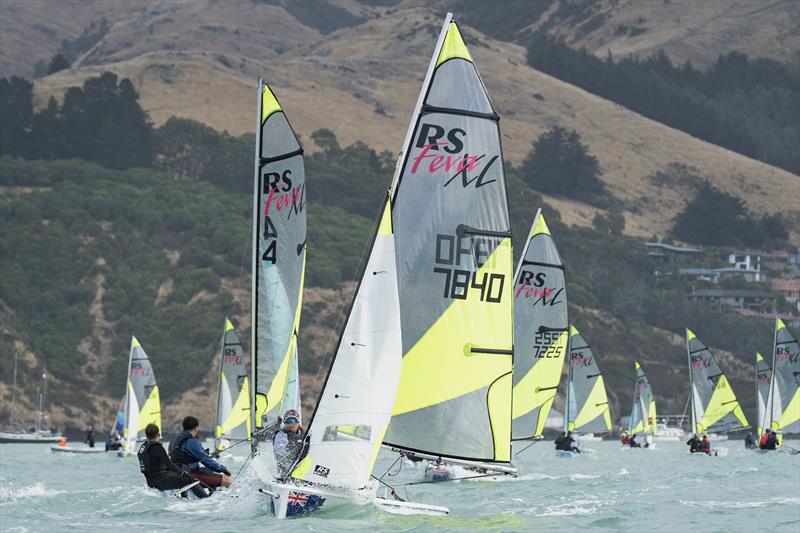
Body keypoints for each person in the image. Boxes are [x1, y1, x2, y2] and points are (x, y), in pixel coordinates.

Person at [138, 423, 209, 499]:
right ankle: (206, 499)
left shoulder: (143, 449)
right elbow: (169, 464)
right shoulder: (157, 448)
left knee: (181, 466)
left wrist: (181, 470)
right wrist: (184, 474)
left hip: (152, 481)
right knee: (189, 479)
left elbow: (156, 465)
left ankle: (184, 495)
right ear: (158, 434)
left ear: (146, 435)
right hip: (161, 481)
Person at [169, 416, 232, 488]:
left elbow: (190, 455)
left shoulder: (177, 439)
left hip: (179, 472)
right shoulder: (191, 441)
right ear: (195, 428)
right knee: (227, 480)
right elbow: (205, 460)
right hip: (190, 474)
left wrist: (207, 454)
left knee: (209, 472)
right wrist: (222, 469)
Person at [273, 409, 305, 478]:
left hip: (302, 470)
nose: (291, 424)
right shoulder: (281, 435)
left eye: (294, 421)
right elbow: (280, 453)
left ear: (298, 423)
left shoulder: (305, 436)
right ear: (284, 423)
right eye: (288, 421)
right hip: (286, 471)